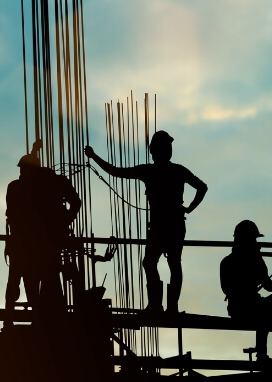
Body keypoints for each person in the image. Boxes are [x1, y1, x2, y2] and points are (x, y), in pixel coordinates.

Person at [86, 130, 207, 315]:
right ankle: (168, 307)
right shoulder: (177, 171)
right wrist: (189, 208)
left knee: (152, 263)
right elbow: (202, 187)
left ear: (153, 151)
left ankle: (157, 306)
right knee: (171, 263)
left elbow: (116, 172)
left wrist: (94, 157)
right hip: (173, 225)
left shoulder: (150, 171)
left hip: (160, 226)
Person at [5, 139, 82, 317]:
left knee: (35, 282)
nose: (21, 173)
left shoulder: (18, 187)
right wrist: (64, 222)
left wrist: (63, 223)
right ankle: (44, 318)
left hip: (28, 245)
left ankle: (38, 319)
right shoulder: (50, 184)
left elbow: (75, 203)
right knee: (40, 282)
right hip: (43, 244)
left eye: (23, 170)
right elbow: (76, 203)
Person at [220, 220, 272, 361]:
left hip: (240, 307)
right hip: (242, 308)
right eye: (253, 238)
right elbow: (265, 282)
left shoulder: (228, 261)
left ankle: (261, 353)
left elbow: (264, 281)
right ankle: (261, 354)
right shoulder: (236, 261)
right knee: (265, 312)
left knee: (265, 309)